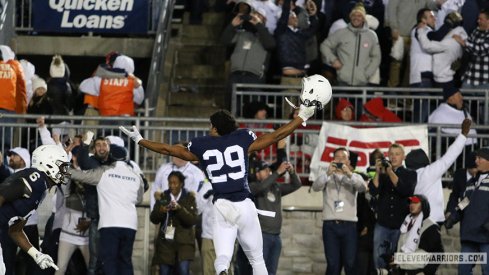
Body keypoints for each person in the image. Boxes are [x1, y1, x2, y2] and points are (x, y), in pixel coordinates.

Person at [120, 76, 323, 275]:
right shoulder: (243, 137)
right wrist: (301, 117)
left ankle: (223, 271)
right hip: (244, 205)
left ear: (216, 128)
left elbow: (169, 150)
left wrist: (140, 140)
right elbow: (277, 135)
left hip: (222, 206)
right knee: (257, 258)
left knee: (222, 256)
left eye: (211, 126)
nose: (209, 129)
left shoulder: (202, 145)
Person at [68, 146, 144, 275]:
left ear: (110, 157)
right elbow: (139, 200)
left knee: (109, 261)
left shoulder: (103, 172)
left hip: (110, 224)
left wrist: (59, 168)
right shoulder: (136, 176)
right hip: (130, 225)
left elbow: (78, 175)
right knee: (125, 261)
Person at [0, 145, 71, 273]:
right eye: (62, 167)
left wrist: (36, 254)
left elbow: (15, 230)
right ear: (49, 164)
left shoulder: (41, 188)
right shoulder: (35, 179)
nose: (64, 171)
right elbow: (2, 193)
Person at [404, 119, 472, 224]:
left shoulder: (406, 176)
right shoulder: (429, 172)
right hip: (432, 221)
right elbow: (449, 156)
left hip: (413, 221)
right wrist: (463, 135)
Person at [311, 147, 367, 275]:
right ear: (333, 160)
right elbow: (315, 187)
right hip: (330, 226)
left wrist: (349, 174)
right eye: (337, 157)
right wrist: (327, 174)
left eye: (343, 157)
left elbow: (362, 188)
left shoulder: (354, 177)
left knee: (350, 263)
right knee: (332, 264)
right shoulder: (327, 176)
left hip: (349, 226)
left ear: (348, 161)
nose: (340, 160)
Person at [248, 160, 302, 274]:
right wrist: (277, 172)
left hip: (276, 236)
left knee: (272, 271)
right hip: (262, 236)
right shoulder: (253, 186)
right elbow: (261, 188)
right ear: (257, 174)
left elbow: (296, 185)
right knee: (259, 271)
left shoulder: (276, 187)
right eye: (265, 170)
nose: (268, 171)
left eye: (269, 169)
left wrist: (292, 172)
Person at [369, 143, 417, 269]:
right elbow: (373, 191)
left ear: (403, 157)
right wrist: (378, 173)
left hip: (400, 226)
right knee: (378, 259)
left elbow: (404, 190)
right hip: (382, 224)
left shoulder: (410, 174)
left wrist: (390, 172)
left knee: (397, 262)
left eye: (397, 154)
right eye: (391, 154)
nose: (393, 157)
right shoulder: (383, 174)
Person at [320, 3, 381, 86]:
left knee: (361, 99)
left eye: (359, 16)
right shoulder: (341, 32)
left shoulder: (371, 36)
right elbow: (324, 46)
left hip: (362, 83)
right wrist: (334, 60)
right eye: (353, 15)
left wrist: (367, 73)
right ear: (350, 17)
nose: (356, 18)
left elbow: (376, 57)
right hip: (343, 82)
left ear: (363, 18)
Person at [151, 171, 198, 275]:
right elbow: (153, 218)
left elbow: (192, 220)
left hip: (184, 244)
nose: (172, 186)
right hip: (166, 244)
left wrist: (179, 209)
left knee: (183, 271)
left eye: (175, 183)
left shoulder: (189, 198)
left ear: (181, 184)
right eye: (170, 183)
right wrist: (161, 211)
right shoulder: (163, 197)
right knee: (164, 271)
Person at [454, 147, 489, 274]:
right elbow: (464, 202)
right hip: (470, 236)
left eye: (479, 158)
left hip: (486, 237)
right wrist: (453, 216)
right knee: (463, 271)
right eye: (476, 158)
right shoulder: (471, 182)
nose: (476, 161)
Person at [394, 195, 443, 275]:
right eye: (411, 202)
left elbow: (439, 254)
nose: (412, 205)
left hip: (419, 271)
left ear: (423, 205)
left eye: (415, 202)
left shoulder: (430, 226)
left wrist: (425, 272)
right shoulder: (406, 224)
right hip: (404, 270)